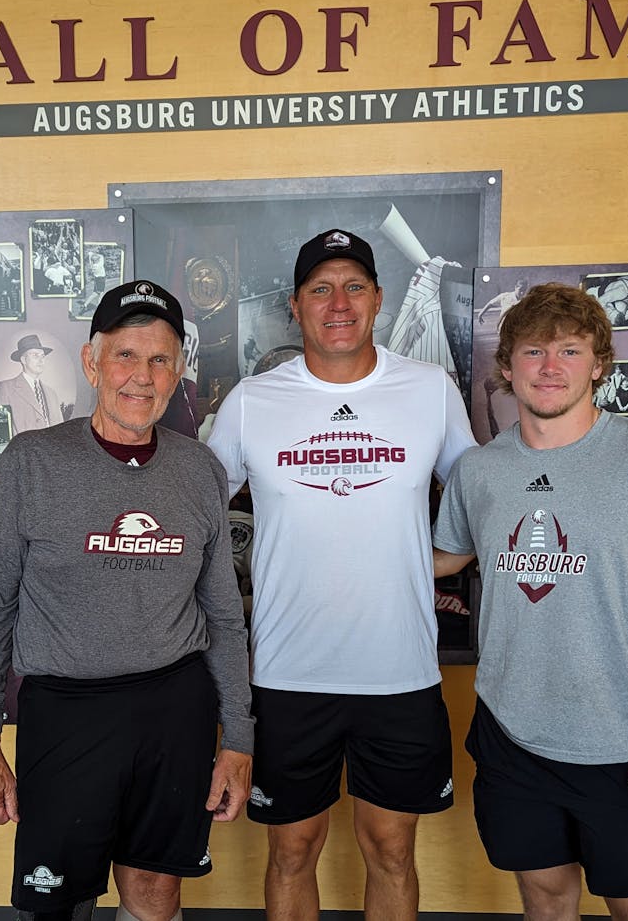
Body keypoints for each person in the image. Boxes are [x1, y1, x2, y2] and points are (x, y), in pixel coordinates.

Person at [432, 283, 628, 921]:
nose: (550, 367)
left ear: (597, 365)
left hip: (621, 743)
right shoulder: (479, 471)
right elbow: (446, 557)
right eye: (533, 351)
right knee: (544, 897)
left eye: (570, 350)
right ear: (507, 367)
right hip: (510, 735)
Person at [0, 280, 254, 921]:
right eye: (125, 355)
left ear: (178, 372)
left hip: (174, 709)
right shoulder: (32, 462)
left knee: (155, 890)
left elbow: (225, 620)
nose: (141, 378)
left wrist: (239, 737)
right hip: (66, 711)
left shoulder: (200, 470)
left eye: (159, 360)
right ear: (93, 362)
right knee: (58, 900)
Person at [206, 228, 475, 921]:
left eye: (354, 285)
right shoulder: (252, 402)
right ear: (295, 305)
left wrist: (431, 561)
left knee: (390, 847)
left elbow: (485, 503)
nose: (338, 302)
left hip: (400, 673)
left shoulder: (431, 390)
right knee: (293, 850)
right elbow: (199, 522)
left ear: (379, 299)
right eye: (320, 288)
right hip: (289, 674)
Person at [0, 334, 65, 434]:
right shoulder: (5, 389)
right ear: (23, 360)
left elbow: (60, 431)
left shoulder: (52, 393)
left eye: (42, 356)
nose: (41, 360)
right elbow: (2, 431)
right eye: (35, 355)